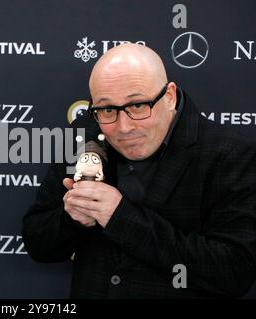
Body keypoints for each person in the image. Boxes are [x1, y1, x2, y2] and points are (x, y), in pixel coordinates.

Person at [22, 43, 256, 298]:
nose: (124, 127)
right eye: (108, 109)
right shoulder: (84, 136)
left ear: (169, 97)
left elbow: (234, 271)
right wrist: (71, 219)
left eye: (137, 106)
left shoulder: (230, 154)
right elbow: (38, 243)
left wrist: (120, 216)